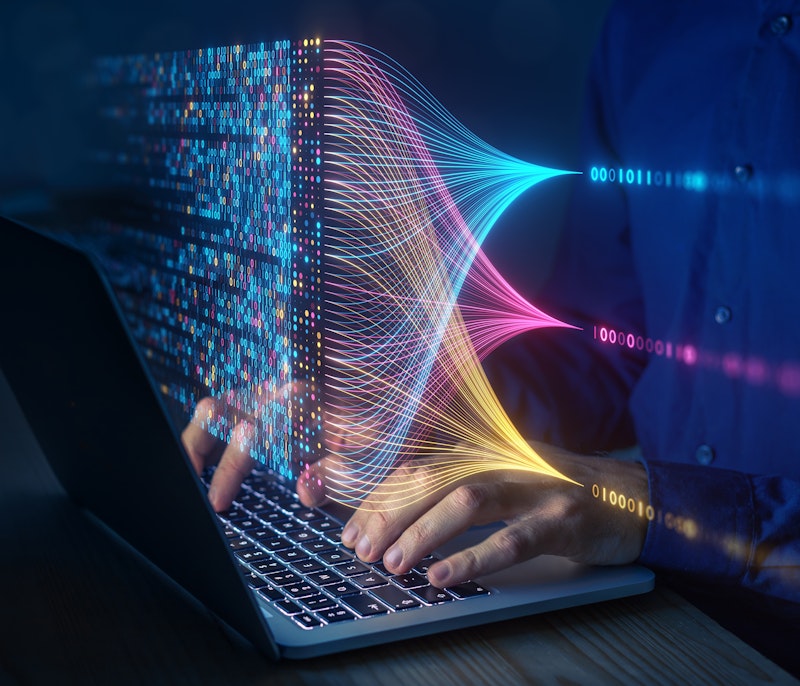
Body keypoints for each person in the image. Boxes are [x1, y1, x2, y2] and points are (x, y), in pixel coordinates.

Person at [183, 0, 800, 674]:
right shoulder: (650, 23)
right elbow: (604, 350)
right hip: (660, 607)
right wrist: (416, 416)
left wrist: (645, 505)